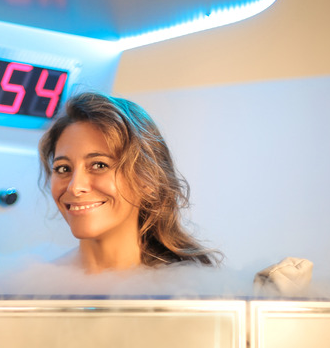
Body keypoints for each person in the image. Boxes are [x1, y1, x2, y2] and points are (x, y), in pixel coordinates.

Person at [39, 91, 222, 273]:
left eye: (99, 165)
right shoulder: (36, 284)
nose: (75, 187)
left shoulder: (191, 288)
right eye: (63, 168)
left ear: (148, 179)